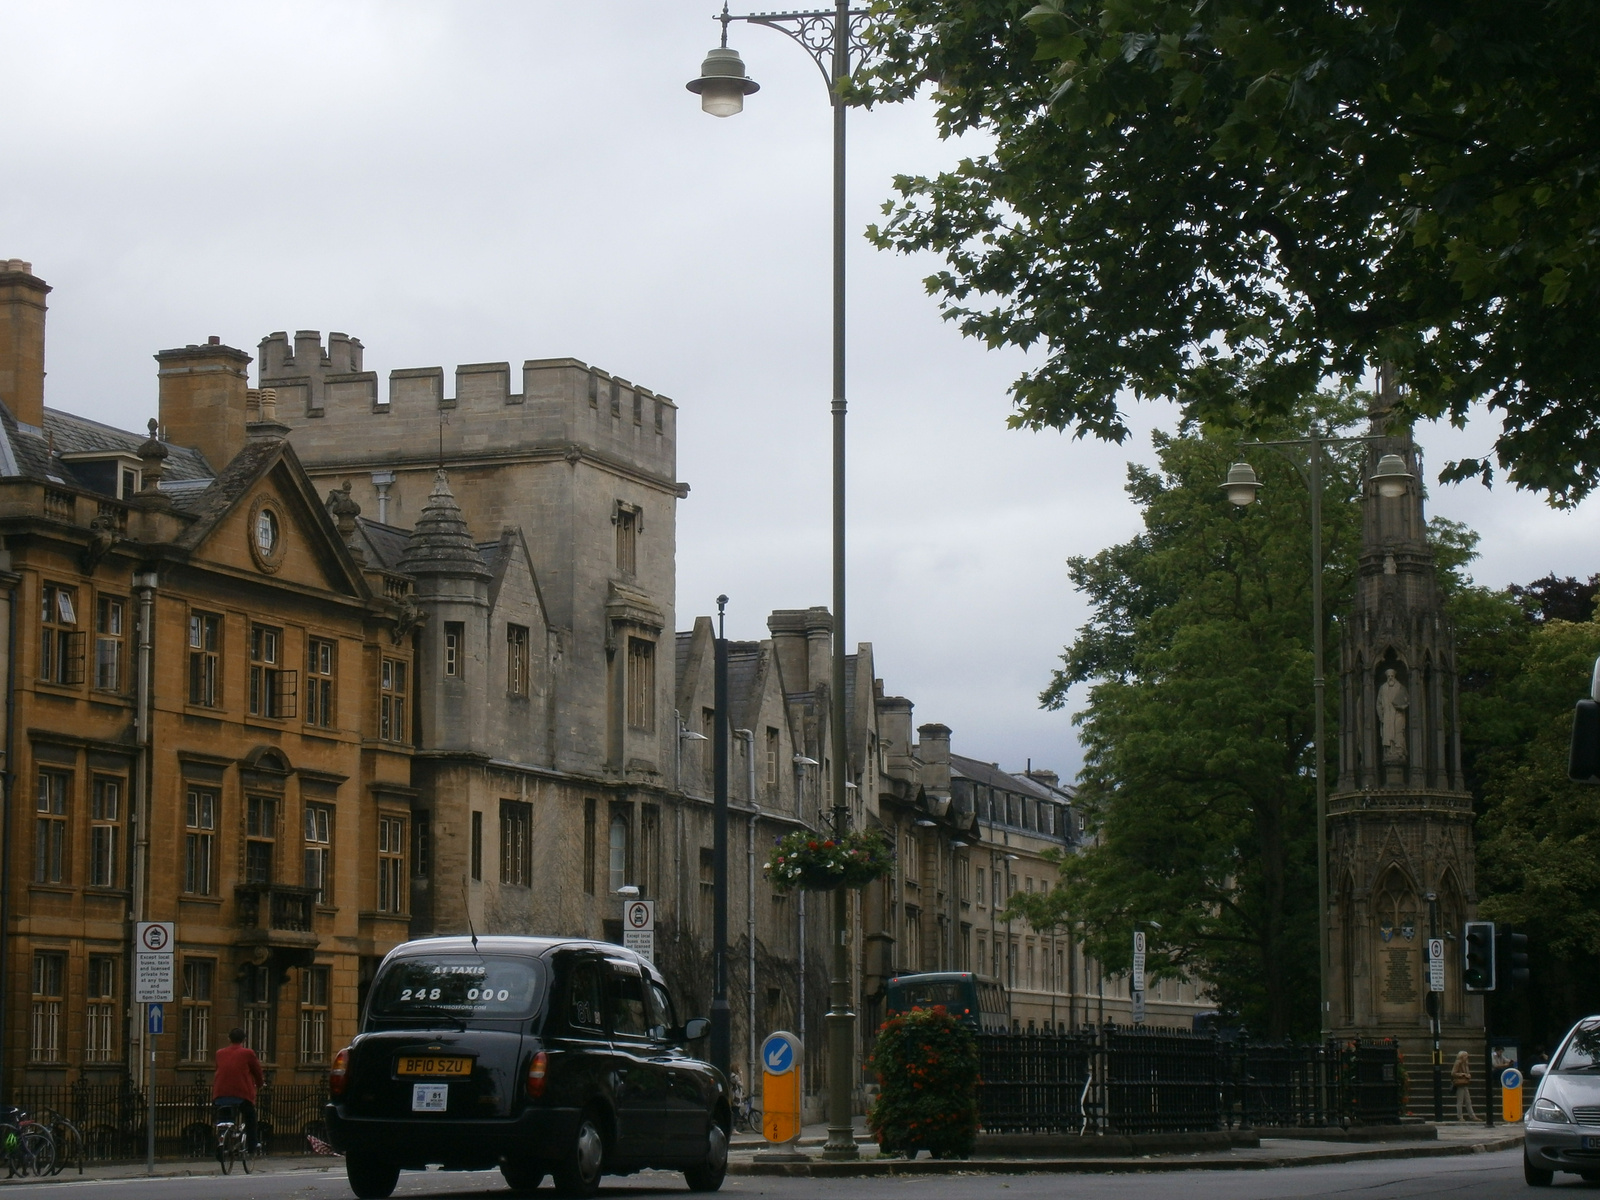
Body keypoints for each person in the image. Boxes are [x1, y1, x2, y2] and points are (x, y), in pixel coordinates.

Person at [213, 1027, 265, 1153]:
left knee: (224, 1119)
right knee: (250, 1117)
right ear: (244, 1040)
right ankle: (253, 1145)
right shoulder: (248, 1053)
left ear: (228, 1039)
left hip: (220, 1094)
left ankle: (223, 1141)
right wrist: (260, 1083)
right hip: (241, 1094)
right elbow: (257, 1072)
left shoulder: (219, 1053)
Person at [1452, 1049, 1478, 1122]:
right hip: (1460, 1083)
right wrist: (1462, 1074)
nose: (1467, 1057)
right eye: (1465, 1056)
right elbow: (1453, 1073)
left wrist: (1468, 1075)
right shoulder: (1458, 1063)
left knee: (1468, 1101)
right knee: (1460, 1101)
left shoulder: (1466, 1063)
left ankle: (1472, 1116)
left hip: (1465, 1083)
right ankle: (1460, 1116)